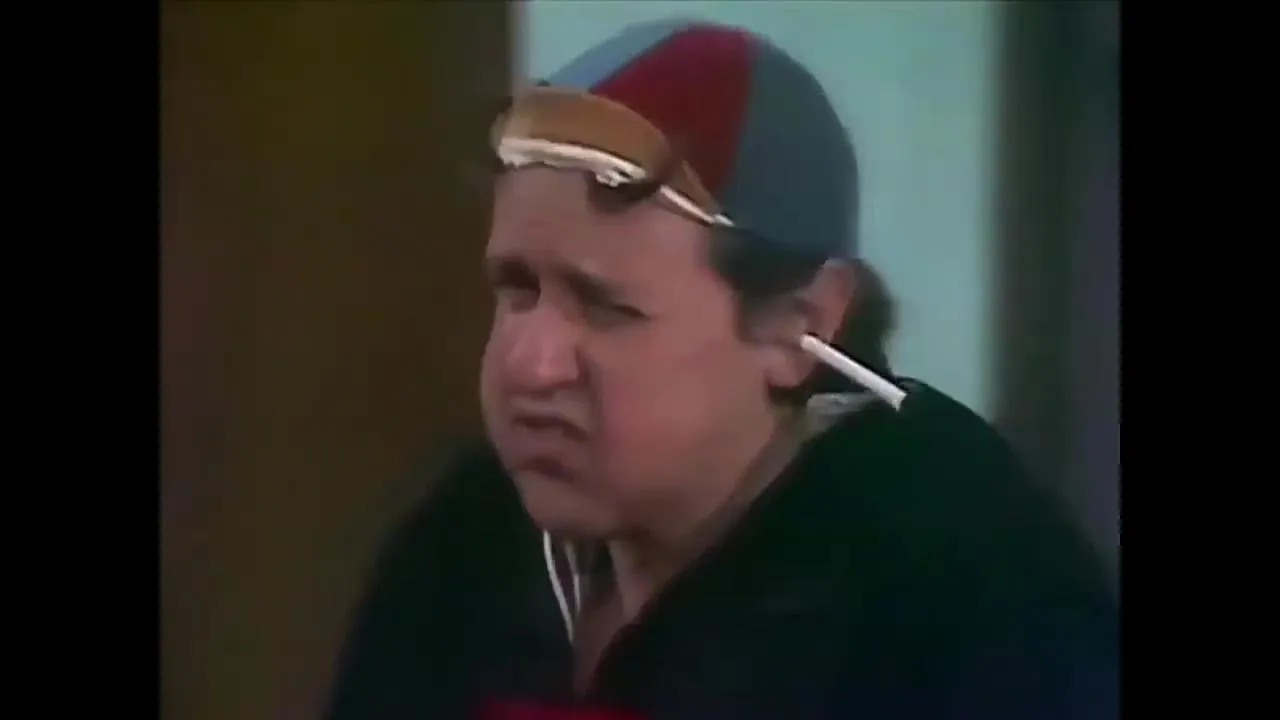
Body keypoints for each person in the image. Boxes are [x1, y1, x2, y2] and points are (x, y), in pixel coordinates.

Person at [326, 19, 1118, 720]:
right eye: (517, 288)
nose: (530, 366)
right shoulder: (467, 539)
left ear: (800, 324)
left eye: (604, 306)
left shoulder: (973, 593)